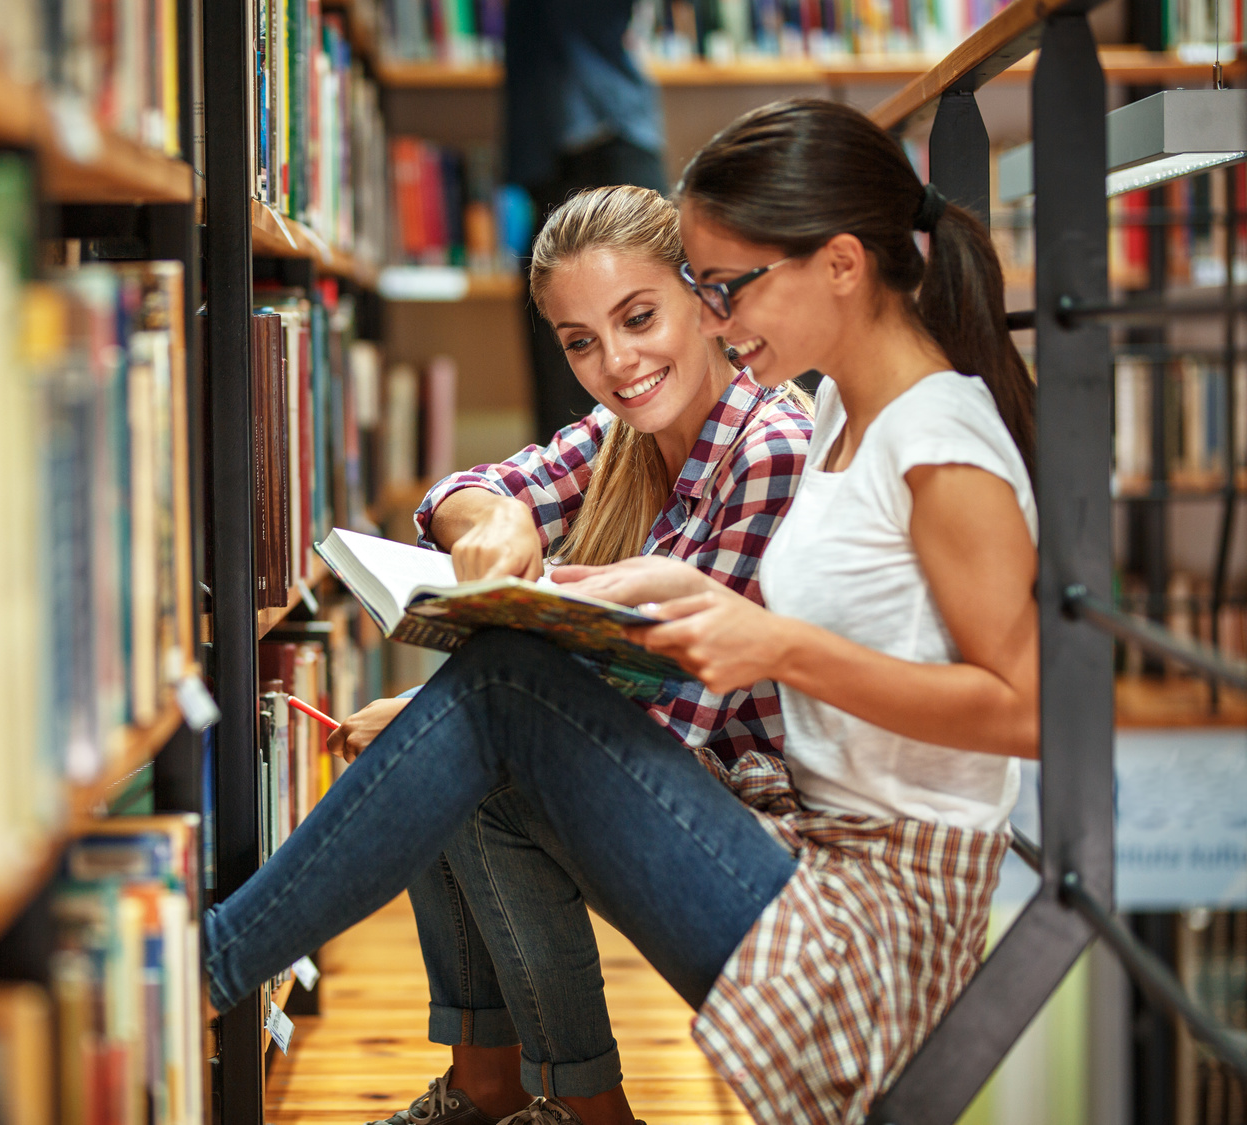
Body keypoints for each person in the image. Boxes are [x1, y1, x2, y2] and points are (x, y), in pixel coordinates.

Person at [206, 98, 1038, 1125]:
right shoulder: (841, 412)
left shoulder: (928, 441)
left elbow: (1028, 711)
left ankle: (206, 975)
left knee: (494, 696)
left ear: (838, 263)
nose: (723, 323)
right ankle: (546, 1102)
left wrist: (770, 642)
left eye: (724, 291)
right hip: (801, 838)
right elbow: (491, 501)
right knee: (479, 721)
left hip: (866, 923)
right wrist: (645, 584)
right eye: (710, 290)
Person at [334, 184, 811, 1125]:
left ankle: (584, 1107)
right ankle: (486, 1085)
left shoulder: (772, 447)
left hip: (769, 830)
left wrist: (440, 726)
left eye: (638, 318)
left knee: (460, 755)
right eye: (581, 341)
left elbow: (667, 711)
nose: (617, 364)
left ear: (706, 300)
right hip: (680, 781)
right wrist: (502, 515)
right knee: (443, 745)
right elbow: (453, 494)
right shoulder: (624, 436)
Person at [504, 0, 669, 444]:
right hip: (545, 149)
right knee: (559, 330)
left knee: (653, 310)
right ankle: (576, 490)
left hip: (616, 129)